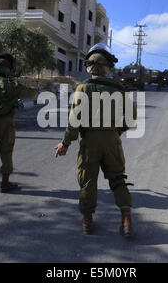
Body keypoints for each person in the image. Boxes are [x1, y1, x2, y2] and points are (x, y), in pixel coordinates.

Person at [55, 43, 137, 239]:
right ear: (107, 66)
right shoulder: (119, 88)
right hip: (112, 140)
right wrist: (116, 131)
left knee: (88, 180)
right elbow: (132, 117)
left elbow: (74, 120)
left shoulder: (83, 88)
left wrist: (65, 143)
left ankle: (87, 221)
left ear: (89, 66)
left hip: (90, 141)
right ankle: (126, 220)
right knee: (118, 179)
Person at [0, 53, 38, 193]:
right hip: (8, 123)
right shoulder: (14, 85)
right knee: (6, 152)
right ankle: (5, 184)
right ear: (8, 69)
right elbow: (32, 94)